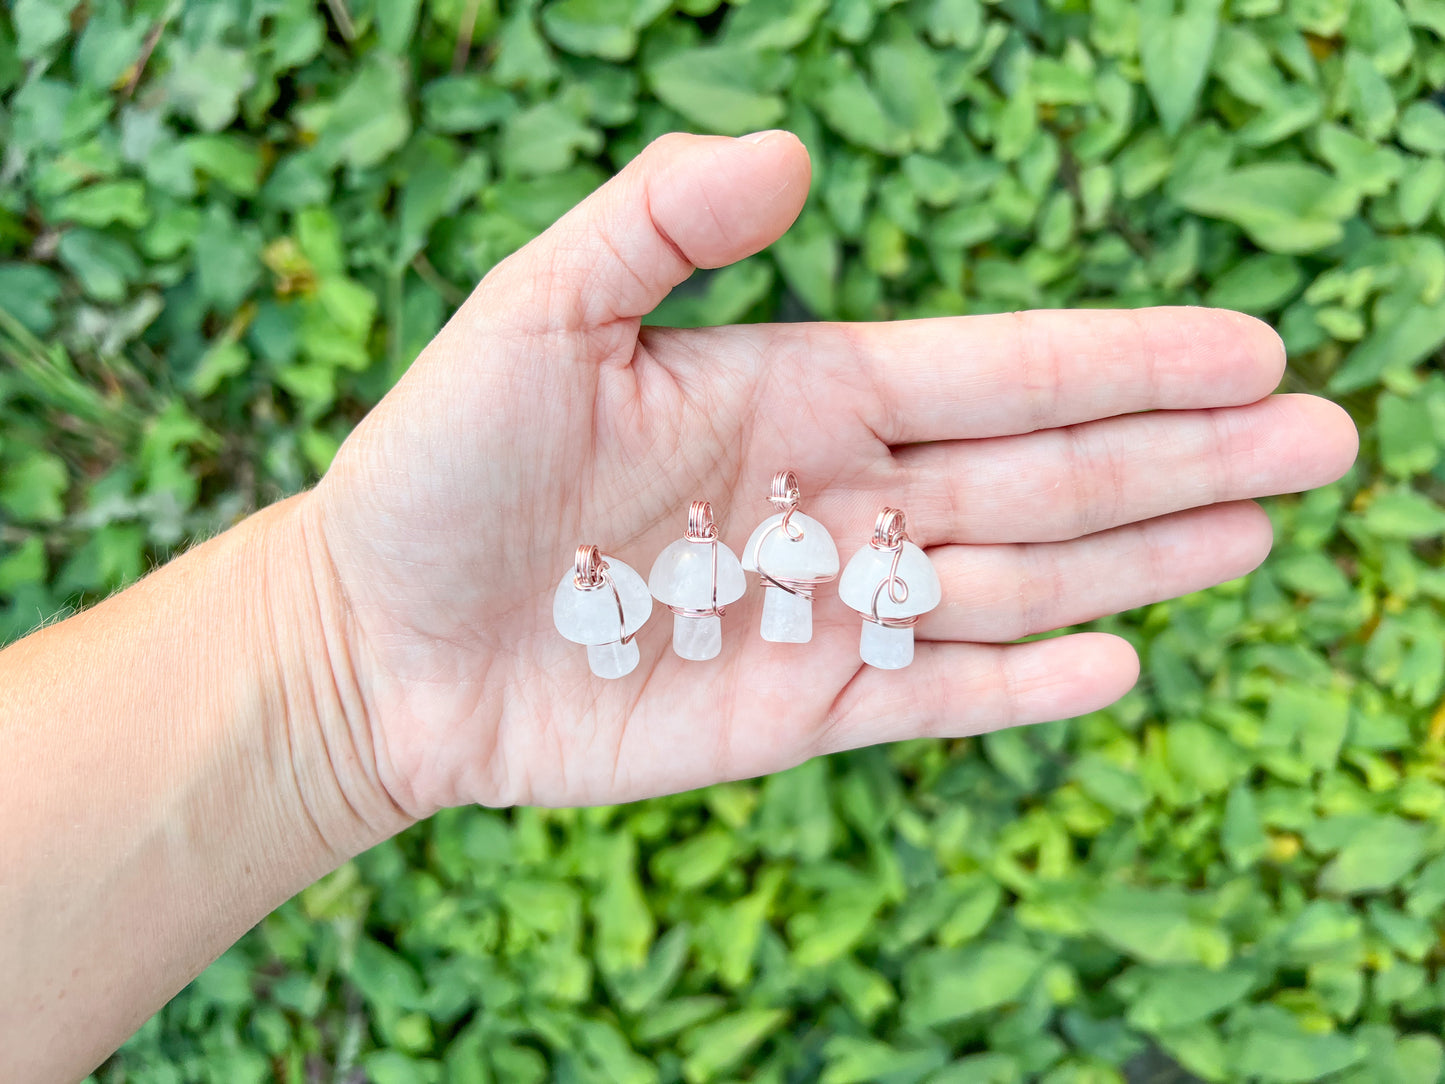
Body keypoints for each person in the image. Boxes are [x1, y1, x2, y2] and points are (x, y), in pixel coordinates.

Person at [0, 132, 1358, 1082]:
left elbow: (766, 571)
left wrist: (339, 653)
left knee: (814, 617)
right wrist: (351, 652)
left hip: (747, 605)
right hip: (696, 611)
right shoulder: (681, 565)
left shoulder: (771, 552)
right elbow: (708, 577)